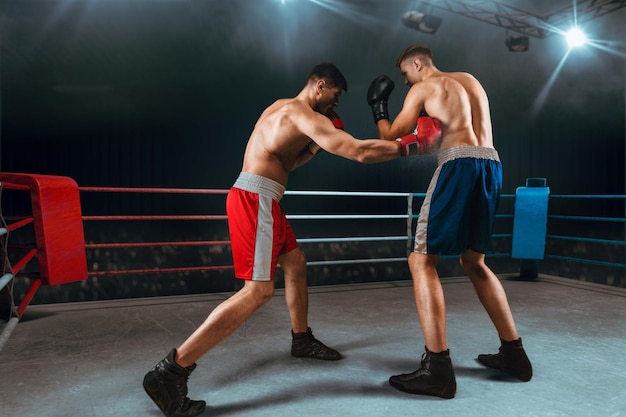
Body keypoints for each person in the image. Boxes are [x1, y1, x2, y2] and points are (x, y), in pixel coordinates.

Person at [143, 62, 413, 417]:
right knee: (257, 291)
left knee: (296, 262)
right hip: (256, 200)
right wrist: (409, 146)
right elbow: (360, 152)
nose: (335, 106)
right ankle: (171, 371)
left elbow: (285, 162)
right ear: (319, 85)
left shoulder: (280, 107)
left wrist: (314, 148)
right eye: (334, 97)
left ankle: (301, 339)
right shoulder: (305, 116)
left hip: (263, 198)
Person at [366, 44, 532, 399]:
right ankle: (514, 354)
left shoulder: (424, 88)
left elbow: (389, 135)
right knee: (474, 261)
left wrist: (379, 107)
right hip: (491, 165)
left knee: (420, 259)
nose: (405, 80)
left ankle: (437, 369)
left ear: (416, 63)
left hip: (458, 164)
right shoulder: (470, 81)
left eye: (405, 73)